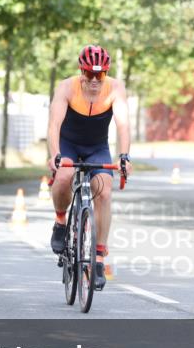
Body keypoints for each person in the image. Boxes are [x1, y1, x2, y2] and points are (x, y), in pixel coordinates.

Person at [46, 44, 132, 290]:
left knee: (104, 191)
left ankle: (99, 257)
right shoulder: (66, 87)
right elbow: (54, 126)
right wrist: (56, 155)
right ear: (81, 71)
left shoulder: (115, 89)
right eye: (89, 74)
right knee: (64, 177)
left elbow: (123, 126)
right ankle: (61, 221)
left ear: (106, 73)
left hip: (97, 147)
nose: (94, 80)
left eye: (100, 75)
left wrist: (124, 156)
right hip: (68, 144)